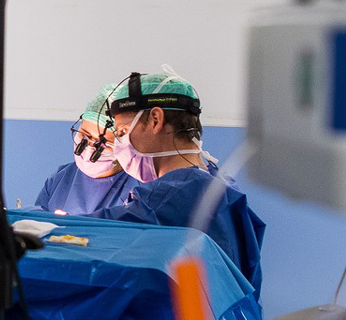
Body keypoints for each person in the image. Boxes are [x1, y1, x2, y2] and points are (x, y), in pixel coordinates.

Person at [105, 71, 265, 293]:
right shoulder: (218, 184)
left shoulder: (169, 197)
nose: (118, 146)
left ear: (156, 119)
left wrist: (54, 227)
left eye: (123, 131)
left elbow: (94, 237)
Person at [33, 84, 137, 217]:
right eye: (84, 136)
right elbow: (38, 223)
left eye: (102, 144)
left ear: (124, 146)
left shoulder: (138, 188)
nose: (88, 148)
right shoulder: (60, 179)